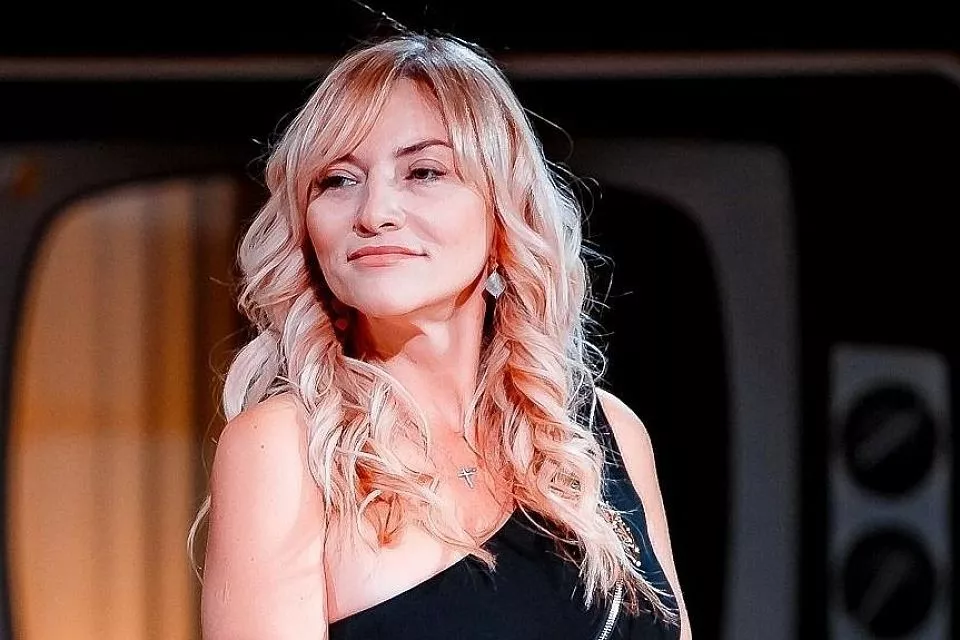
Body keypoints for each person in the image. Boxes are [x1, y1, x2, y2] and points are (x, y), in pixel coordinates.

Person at [189, 32, 691, 639]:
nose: (375, 212)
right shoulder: (286, 449)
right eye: (338, 180)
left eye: (424, 171)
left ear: (503, 214)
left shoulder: (602, 437)